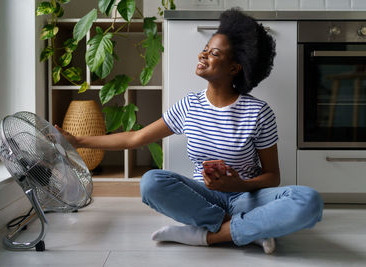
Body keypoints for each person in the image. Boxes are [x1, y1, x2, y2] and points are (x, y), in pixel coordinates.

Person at [56, 8, 323, 254]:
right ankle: (248, 230)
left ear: (234, 68)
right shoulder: (189, 106)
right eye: (205, 49)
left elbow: (272, 176)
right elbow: (135, 138)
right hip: (202, 198)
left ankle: (205, 236)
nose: (202, 55)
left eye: (214, 53)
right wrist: (77, 140)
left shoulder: (258, 112)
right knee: (151, 182)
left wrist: (237, 184)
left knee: (308, 200)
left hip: (247, 197)